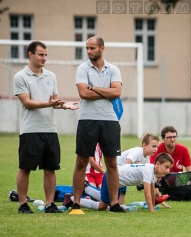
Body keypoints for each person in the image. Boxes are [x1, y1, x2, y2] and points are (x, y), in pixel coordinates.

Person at [14, 41, 79, 214]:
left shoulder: (51, 76)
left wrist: (64, 105)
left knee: (50, 168)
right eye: (40, 54)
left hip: (50, 130)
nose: (44, 58)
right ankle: (22, 204)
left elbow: (53, 103)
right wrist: (49, 104)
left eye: (45, 55)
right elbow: (27, 103)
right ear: (30, 54)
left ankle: (50, 204)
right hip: (30, 130)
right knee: (25, 167)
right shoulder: (20, 76)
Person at [72, 36, 123, 214]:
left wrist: (94, 87)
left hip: (110, 120)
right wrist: (106, 92)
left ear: (102, 48)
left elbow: (117, 92)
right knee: (81, 161)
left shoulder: (114, 69)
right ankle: (76, 203)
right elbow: (83, 93)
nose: (89, 51)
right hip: (87, 120)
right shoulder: (82, 68)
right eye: (87, 48)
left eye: (92, 48)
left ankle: (115, 203)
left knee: (112, 163)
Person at [64, 153, 174, 212]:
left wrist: (155, 204)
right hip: (112, 178)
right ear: (158, 164)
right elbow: (147, 193)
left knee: (108, 199)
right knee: (103, 206)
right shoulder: (148, 170)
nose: (168, 171)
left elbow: (152, 190)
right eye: (166, 167)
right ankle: (72, 199)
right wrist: (151, 210)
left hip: (114, 179)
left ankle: (87, 188)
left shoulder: (150, 169)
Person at [116, 133, 160, 205]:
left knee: (121, 202)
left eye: (157, 147)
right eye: (154, 146)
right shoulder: (137, 151)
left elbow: (151, 179)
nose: (156, 149)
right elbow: (126, 166)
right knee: (107, 198)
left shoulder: (146, 160)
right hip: (117, 171)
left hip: (122, 175)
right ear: (144, 145)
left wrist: (157, 194)